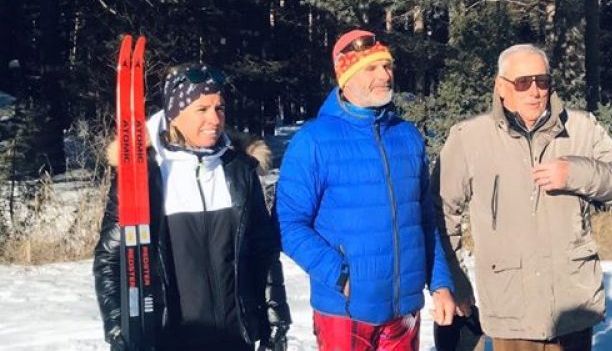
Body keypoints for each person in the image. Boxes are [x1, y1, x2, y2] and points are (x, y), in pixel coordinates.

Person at [433, 44, 612, 351]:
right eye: (523, 82)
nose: (535, 91)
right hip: (510, 310)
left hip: (572, 305)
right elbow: (440, 213)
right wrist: (454, 281)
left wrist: (576, 172)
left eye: (542, 81)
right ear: (501, 87)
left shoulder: (580, 128)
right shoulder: (469, 138)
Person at [277, 29, 456, 351]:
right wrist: (340, 275)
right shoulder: (314, 140)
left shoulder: (407, 136)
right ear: (345, 77)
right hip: (345, 310)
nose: (384, 75)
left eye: (387, 66)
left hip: (404, 308)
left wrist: (440, 282)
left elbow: (424, 219)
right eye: (371, 68)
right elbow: (288, 224)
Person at [93, 63, 291, 351]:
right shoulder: (146, 174)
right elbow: (110, 259)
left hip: (236, 338)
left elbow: (264, 250)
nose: (215, 118)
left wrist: (276, 319)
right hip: (169, 340)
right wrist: (118, 329)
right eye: (202, 109)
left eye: (219, 108)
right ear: (175, 115)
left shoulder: (238, 170)